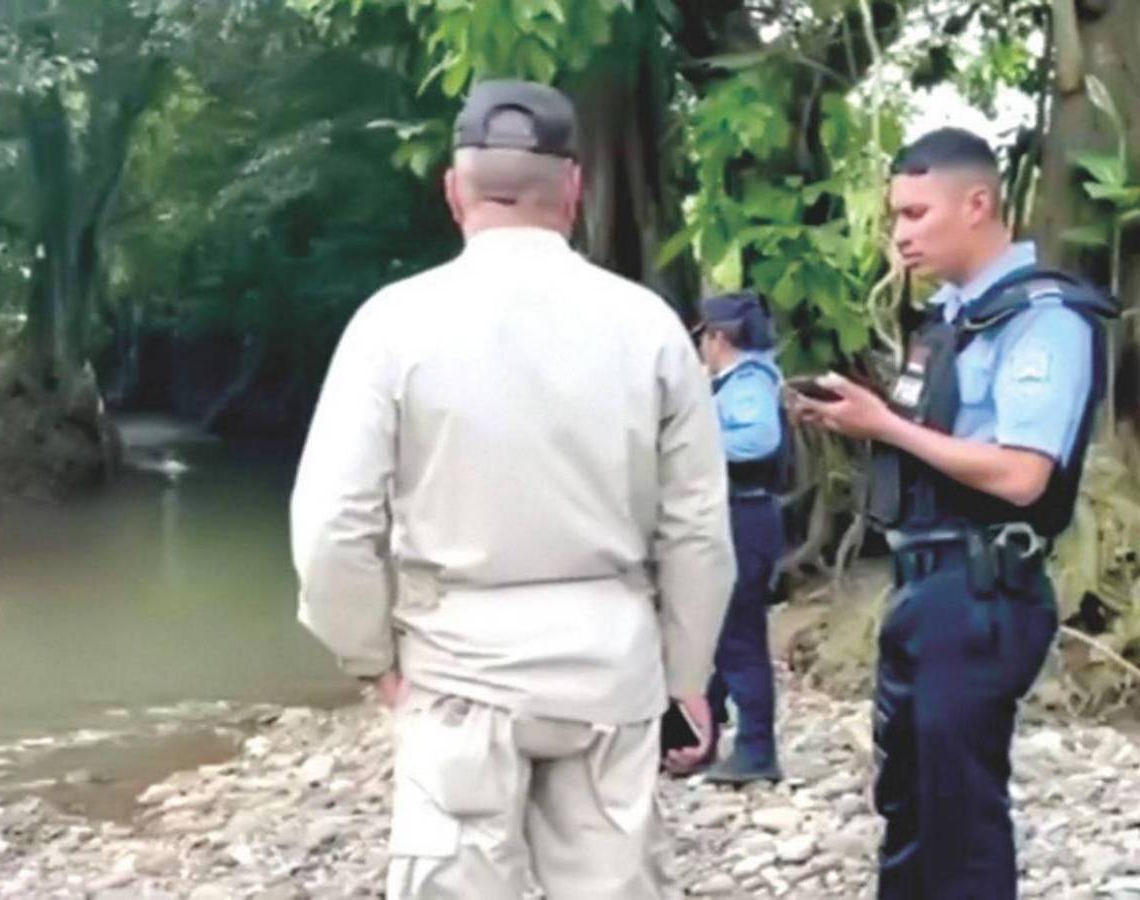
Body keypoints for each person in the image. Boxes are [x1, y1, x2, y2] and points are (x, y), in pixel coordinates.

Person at [289, 79, 735, 900]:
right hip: (611, 667)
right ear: (574, 189)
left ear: (454, 190)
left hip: (458, 670)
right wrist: (686, 678)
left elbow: (332, 526)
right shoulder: (650, 328)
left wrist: (372, 660)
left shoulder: (392, 324)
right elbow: (699, 529)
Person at [789, 128, 1117, 899]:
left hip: (981, 593)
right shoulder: (947, 320)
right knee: (907, 808)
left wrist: (886, 427)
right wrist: (855, 419)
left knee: (959, 822)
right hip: (923, 589)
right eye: (894, 216)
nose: (900, 234)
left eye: (915, 213)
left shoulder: (1043, 319)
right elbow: (929, 435)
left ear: (977, 204)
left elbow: (1022, 475)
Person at [691, 292, 788, 784]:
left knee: (737, 636)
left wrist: (691, 449)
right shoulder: (738, 381)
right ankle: (700, 736)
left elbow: (759, 439)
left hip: (743, 516)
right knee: (718, 631)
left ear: (718, 336)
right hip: (737, 515)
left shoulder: (747, 383)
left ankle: (755, 748)